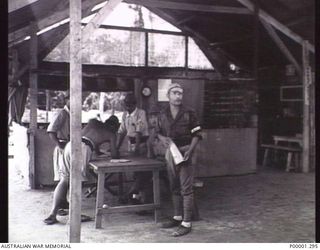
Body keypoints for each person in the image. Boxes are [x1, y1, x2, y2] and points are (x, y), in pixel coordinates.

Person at [43, 116, 120, 225]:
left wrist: (98, 151)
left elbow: (92, 142)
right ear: (115, 127)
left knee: (64, 180)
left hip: (70, 145)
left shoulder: (93, 122)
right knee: (77, 182)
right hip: (83, 148)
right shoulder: (111, 134)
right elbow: (115, 155)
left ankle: (52, 214)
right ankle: (75, 216)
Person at [156, 83, 202, 237]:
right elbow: (158, 132)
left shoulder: (189, 112)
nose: (178, 96)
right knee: (174, 185)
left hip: (187, 150)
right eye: (175, 93)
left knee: (186, 188)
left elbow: (197, 134)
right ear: (168, 96)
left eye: (180, 93)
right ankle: (177, 217)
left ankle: (186, 223)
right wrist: (162, 139)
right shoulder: (162, 114)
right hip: (171, 152)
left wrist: (190, 149)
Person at [116, 93, 151, 204]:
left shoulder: (141, 113)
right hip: (131, 144)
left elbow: (138, 131)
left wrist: (136, 148)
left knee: (143, 173)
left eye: (130, 104)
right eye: (126, 104)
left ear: (135, 104)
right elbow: (121, 132)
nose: (127, 107)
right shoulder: (125, 115)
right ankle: (135, 197)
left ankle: (139, 198)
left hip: (141, 144)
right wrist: (116, 148)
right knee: (136, 173)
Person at [46, 91, 70, 212]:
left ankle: (63, 202)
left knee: (68, 178)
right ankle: (56, 208)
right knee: (64, 179)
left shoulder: (72, 114)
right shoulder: (62, 113)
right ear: (67, 100)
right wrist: (59, 144)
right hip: (63, 147)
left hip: (69, 148)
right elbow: (51, 131)